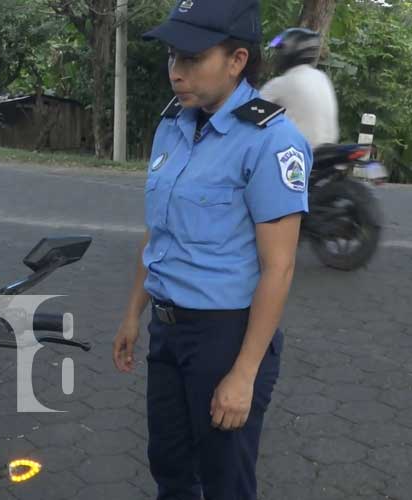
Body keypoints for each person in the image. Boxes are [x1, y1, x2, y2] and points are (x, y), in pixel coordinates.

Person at [112, 1, 312, 499]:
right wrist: (133, 314)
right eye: (173, 58)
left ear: (237, 60)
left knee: (225, 480)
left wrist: (244, 374)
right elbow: (158, 231)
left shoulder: (271, 141)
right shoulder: (173, 124)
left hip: (225, 337)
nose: (176, 72)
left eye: (192, 59)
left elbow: (279, 266)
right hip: (168, 331)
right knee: (171, 469)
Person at [260, 27, 339, 148]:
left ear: (290, 51)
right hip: (326, 152)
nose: (277, 56)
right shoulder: (321, 78)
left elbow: (249, 116)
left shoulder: (282, 83)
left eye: (280, 50)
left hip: (294, 155)